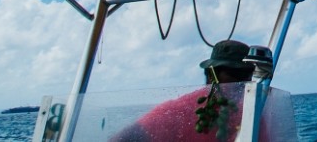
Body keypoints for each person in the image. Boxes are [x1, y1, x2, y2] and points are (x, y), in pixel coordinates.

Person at [109, 39, 256, 142]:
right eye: (235, 75)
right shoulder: (180, 111)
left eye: (247, 76)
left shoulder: (250, 114)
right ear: (211, 76)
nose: (243, 84)